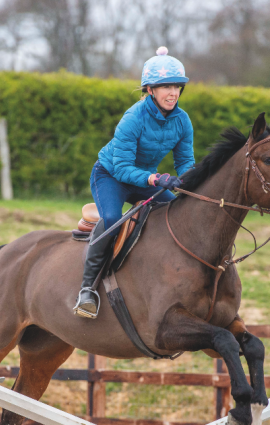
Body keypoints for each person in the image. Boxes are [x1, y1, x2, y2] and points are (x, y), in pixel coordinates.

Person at [73, 46, 195, 318]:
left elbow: (185, 162)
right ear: (150, 90)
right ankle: (87, 290)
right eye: (165, 87)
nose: (173, 92)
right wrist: (156, 178)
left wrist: (191, 180)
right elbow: (123, 168)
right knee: (113, 219)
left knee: (177, 214)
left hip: (146, 179)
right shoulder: (132, 119)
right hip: (111, 175)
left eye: (177, 86)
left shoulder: (182, 121)